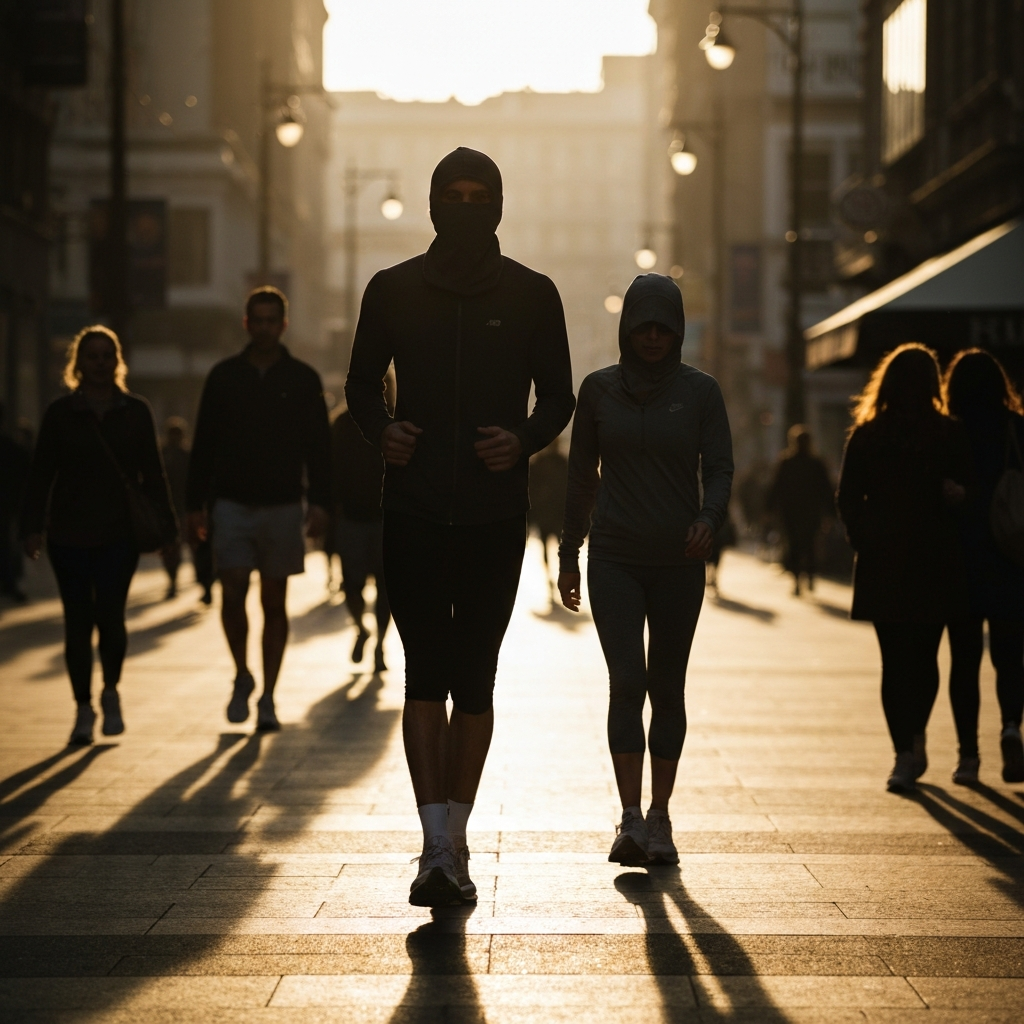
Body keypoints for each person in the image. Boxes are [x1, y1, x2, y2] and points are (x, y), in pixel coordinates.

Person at [346, 147, 575, 906]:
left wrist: (525, 440)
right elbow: (357, 387)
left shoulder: (535, 294)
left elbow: (558, 398)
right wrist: (384, 430)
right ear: (434, 203)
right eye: (455, 195)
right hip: (412, 509)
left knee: (475, 676)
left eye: (482, 196)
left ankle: (459, 834)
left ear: (499, 205)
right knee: (423, 672)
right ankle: (434, 844)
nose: (468, 208)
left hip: (493, 514)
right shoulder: (392, 290)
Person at [558, 273, 733, 866]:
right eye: (643, 327)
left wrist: (710, 515)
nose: (653, 338)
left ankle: (661, 815)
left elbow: (722, 465)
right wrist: (568, 554)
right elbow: (580, 477)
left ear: (677, 330)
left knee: (668, 685)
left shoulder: (701, 392)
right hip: (614, 558)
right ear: (627, 330)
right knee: (627, 682)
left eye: (664, 327)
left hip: (679, 560)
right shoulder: (598, 391)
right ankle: (630, 817)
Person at [20, 326, 177, 744]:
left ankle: (109, 690)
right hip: (68, 534)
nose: (100, 363)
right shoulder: (60, 413)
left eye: (107, 355)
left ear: (117, 361)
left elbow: (153, 475)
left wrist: (168, 528)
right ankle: (82, 708)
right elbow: (40, 475)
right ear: (78, 363)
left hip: (118, 533)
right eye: (92, 356)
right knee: (77, 621)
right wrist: (31, 528)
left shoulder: (136, 410)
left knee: (110, 617)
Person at [186, 287, 331, 732]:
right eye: (258, 320)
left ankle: (267, 694)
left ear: (283, 324)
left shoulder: (302, 379)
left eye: (273, 320)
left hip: (284, 502)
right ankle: (242, 674)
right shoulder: (224, 377)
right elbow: (204, 444)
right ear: (246, 323)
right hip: (231, 502)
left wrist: (321, 501)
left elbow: (319, 446)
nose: (265, 327)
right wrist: (196, 506)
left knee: (274, 600)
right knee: (231, 591)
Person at [837, 343, 972, 794]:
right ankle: (915, 736)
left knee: (893, 662)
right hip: (936, 560)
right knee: (926, 657)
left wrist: (864, 539)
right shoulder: (950, 433)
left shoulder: (869, 434)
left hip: (884, 563)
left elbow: (847, 498)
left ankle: (903, 752)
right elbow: (966, 495)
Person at [943, 349, 1024, 784]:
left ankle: (968, 755)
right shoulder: (1017, 428)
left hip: (963, 558)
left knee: (965, 658)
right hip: (1012, 554)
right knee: (1011, 653)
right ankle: (1011, 726)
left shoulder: (950, 431)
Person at [330, 372, 395, 673]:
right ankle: (361, 628)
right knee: (352, 587)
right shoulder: (343, 424)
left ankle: (380, 646)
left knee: (386, 591)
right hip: (353, 518)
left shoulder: (399, 424)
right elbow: (331, 469)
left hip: (388, 520)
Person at [768, 425, 834, 595]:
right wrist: (830, 513)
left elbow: (777, 487)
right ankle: (810, 575)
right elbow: (827, 490)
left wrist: (769, 509)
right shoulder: (816, 464)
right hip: (811, 512)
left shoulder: (787, 462)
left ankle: (797, 579)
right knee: (810, 544)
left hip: (791, 512)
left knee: (794, 545)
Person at [0, 402, 32, 605]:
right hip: (8, 505)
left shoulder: (11, 448)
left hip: (7, 505)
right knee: (7, 543)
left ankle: (9, 581)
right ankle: (9, 582)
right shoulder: (12, 448)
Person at [528, 437, 568, 588]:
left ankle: (551, 573)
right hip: (554, 512)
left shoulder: (539, 463)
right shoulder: (561, 462)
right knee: (559, 544)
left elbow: (531, 488)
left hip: (546, 511)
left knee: (547, 544)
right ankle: (557, 573)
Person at [160, 417, 189, 599]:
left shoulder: (181, 456)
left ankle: (174, 579)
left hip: (182, 508)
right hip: (170, 508)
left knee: (174, 547)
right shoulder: (165, 455)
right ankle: (173, 579)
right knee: (171, 547)